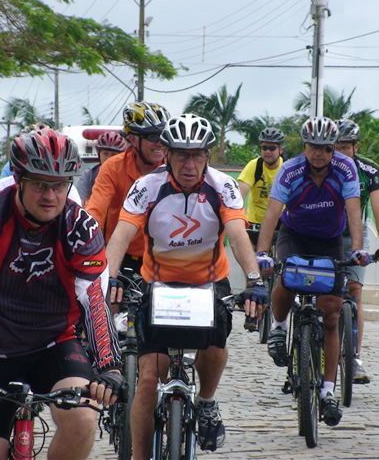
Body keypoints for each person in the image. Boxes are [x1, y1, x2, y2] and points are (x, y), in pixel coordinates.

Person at [105, 113, 268, 456]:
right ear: (167, 154)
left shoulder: (222, 186)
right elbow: (121, 235)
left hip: (208, 282)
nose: (189, 163)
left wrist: (254, 279)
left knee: (215, 345)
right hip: (158, 282)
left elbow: (238, 236)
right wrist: (112, 276)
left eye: (197, 155)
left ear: (208, 156)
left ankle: (207, 401)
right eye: (181, 154)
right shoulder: (148, 186)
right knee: (148, 381)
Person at [0, 128, 123, 460]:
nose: (50, 195)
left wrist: (110, 366)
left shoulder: (80, 226)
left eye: (60, 185)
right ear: (18, 180)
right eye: (39, 184)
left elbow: (93, 299)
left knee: (83, 418)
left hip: (54, 344)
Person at [255, 116, 371, 428]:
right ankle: (279, 326)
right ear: (304, 146)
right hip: (294, 236)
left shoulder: (345, 169)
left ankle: (328, 391)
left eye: (325, 149)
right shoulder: (290, 169)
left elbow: (353, 209)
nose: (318, 154)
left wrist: (357, 248)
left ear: (333, 149)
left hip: (331, 240)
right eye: (312, 147)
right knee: (285, 278)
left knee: (332, 314)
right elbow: (272, 212)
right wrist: (262, 253)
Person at [334, 118, 379, 384]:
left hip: (355, 235)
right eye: (337, 147)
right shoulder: (323, 167)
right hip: (323, 235)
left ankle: (354, 356)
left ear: (356, 147)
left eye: (346, 147)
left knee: (355, 291)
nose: (341, 152)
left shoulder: (370, 170)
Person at [86, 101, 170, 273]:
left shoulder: (174, 168)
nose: (160, 143)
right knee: (110, 297)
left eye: (163, 136)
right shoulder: (112, 168)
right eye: (153, 137)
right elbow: (95, 213)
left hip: (166, 261)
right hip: (123, 258)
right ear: (132, 139)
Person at [237, 127, 285, 227]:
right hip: (255, 223)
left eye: (272, 148)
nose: (267, 151)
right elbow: (239, 197)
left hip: (280, 223)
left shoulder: (286, 168)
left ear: (280, 150)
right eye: (264, 148)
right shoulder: (254, 165)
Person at [76, 131, 129, 203]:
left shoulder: (128, 177)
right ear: (99, 154)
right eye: (105, 153)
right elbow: (79, 204)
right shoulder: (88, 176)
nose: (108, 158)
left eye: (113, 155)